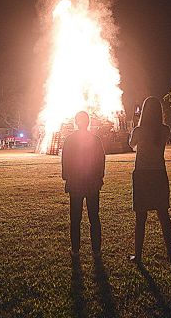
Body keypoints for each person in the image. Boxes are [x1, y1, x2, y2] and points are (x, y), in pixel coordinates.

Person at [129, 96, 171, 264]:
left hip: (142, 174)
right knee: (163, 214)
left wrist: (135, 126)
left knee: (140, 217)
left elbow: (131, 144)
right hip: (159, 173)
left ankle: (138, 255)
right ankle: (170, 254)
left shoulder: (139, 130)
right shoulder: (165, 130)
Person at [62, 111, 105, 258]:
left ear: (76, 121)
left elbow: (65, 160)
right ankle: (96, 249)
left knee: (75, 217)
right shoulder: (95, 139)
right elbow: (101, 160)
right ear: (88, 122)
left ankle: (75, 249)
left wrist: (66, 177)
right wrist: (100, 177)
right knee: (94, 216)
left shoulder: (69, 140)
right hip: (92, 182)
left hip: (75, 182)